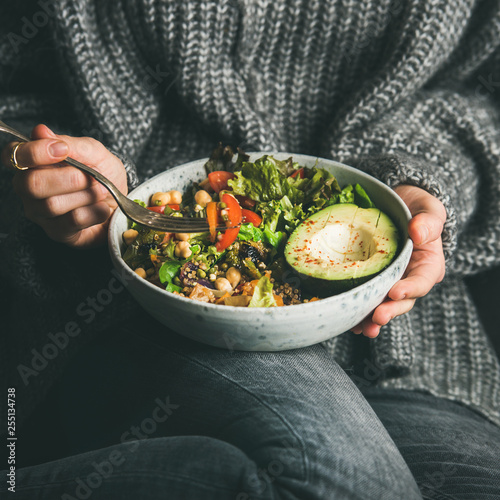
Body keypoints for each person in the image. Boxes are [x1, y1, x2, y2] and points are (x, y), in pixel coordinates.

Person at [1, 0, 499, 498]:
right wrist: (70, 181)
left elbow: (484, 98)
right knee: (337, 483)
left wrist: (422, 186)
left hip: (416, 353)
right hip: (166, 319)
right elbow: (19, 95)